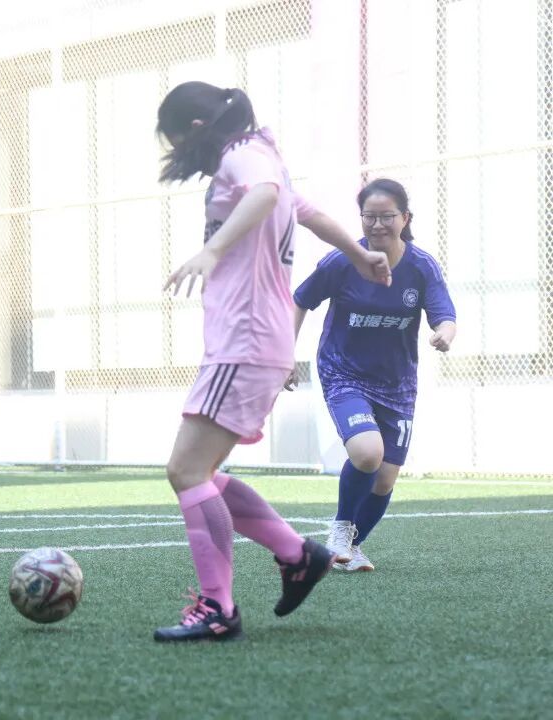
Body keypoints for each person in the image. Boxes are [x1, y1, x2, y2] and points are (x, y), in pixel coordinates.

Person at [150, 82, 393, 642]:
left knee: (186, 472)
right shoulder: (265, 155)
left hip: (246, 341)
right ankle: (296, 555)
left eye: (176, 140)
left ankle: (218, 608)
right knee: (202, 472)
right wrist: (359, 254)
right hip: (255, 342)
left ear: (196, 129)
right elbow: (309, 213)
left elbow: (264, 193)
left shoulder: (244, 155)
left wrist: (212, 250)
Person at [289, 178, 456, 572]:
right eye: (369, 217)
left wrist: (444, 333)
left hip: (397, 384)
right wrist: (285, 353)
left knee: (384, 480)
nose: (377, 224)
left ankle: (350, 548)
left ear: (405, 218)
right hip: (343, 372)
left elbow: (444, 314)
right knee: (367, 453)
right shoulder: (342, 261)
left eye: (387, 216)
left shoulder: (421, 266)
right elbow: (299, 301)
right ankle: (339, 530)